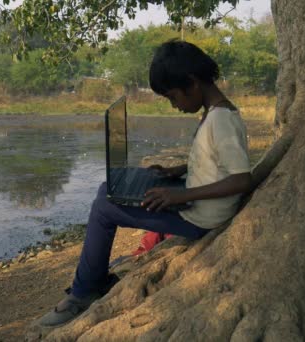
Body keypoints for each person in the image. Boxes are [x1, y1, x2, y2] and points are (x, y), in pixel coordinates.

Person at [38, 40, 253, 327]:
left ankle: (83, 292)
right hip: (193, 201)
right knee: (108, 190)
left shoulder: (222, 120)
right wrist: (176, 171)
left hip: (200, 218)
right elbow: (216, 164)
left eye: (172, 97)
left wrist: (179, 195)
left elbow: (241, 178)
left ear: (192, 83)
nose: (174, 105)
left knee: (104, 207)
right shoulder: (214, 113)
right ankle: (93, 280)